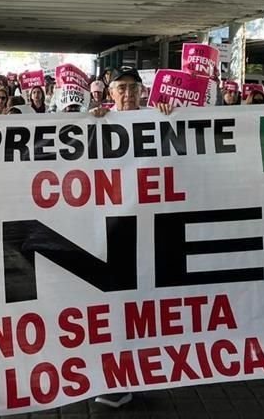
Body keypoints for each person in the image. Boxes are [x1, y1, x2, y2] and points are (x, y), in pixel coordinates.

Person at [89, 67, 171, 408]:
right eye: (121, 88)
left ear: (142, 90)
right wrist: (89, 122)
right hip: (108, 230)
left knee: (143, 309)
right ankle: (109, 378)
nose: (127, 94)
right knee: (109, 310)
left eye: (133, 88)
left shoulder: (160, 118)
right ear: (110, 90)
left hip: (150, 230)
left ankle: (134, 375)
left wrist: (171, 118)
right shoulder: (97, 121)